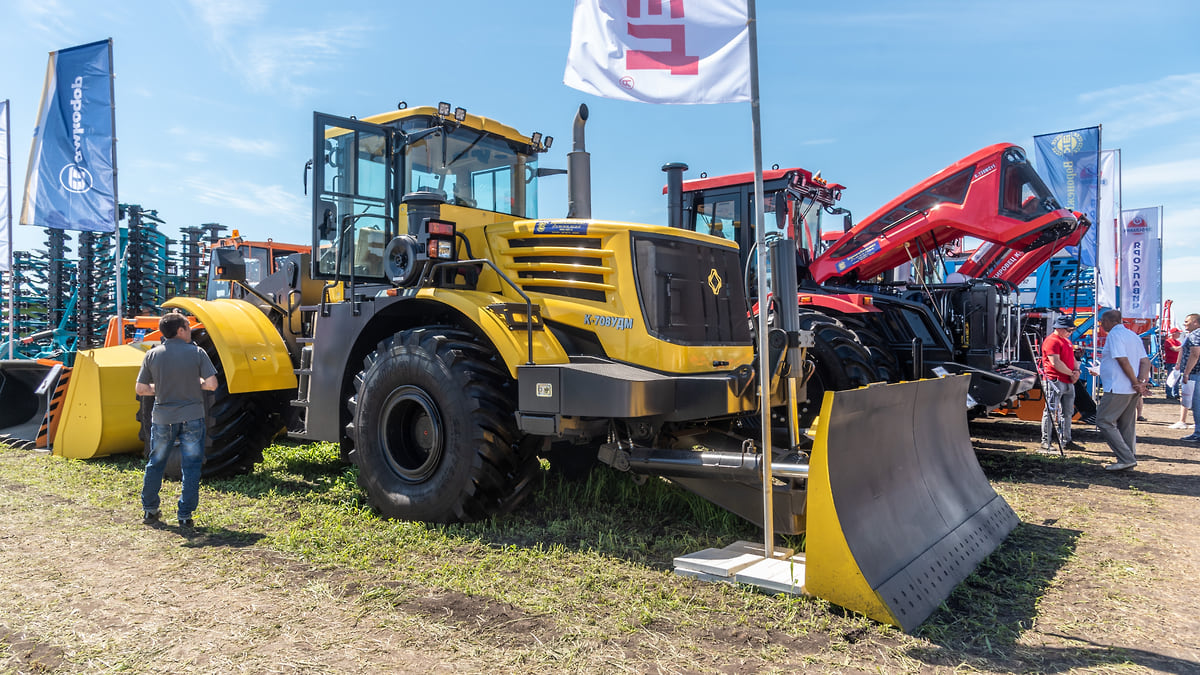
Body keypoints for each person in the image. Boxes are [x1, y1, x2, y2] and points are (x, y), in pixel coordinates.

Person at [135, 311, 218, 527]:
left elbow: (141, 389)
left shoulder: (152, 355)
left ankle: (150, 510)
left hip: (163, 418)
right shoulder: (197, 353)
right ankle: (184, 515)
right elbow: (211, 385)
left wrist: (161, 388)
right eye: (188, 328)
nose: (190, 331)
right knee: (191, 467)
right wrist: (193, 384)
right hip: (192, 418)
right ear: (180, 330)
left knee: (156, 464)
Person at [1093, 309, 1150, 470]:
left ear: (1110, 321)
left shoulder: (1114, 335)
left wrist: (1135, 382)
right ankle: (1129, 459)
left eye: (1102, 321)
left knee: (1104, 421)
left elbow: (1122, 360)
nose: (1101, 324)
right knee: (1127, 424)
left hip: (1117, 387)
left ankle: (1126, 458)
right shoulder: (1133, 335)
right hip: (1130, 389)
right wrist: (1141, 381)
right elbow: (1145, 361)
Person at [1040, 315, 1083, 453]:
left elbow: (1071, 359)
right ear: (1059, 328)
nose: (1070, 332)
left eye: (1071, 330)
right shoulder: (1052, 341)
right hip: (1055, 380)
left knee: (1067, 412)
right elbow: (1055, 363)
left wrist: (1075, 371)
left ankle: (1066, 440)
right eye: (1069, 330)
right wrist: (1073, 373)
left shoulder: (1065, 341)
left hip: (1065, 380)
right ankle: (1046, 441)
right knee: (1051, 412)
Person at [1177, 314, 1200, 442]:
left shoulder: (1195, 334)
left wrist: (1186, 372)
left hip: (1195, 374)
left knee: (1197, 404)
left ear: (1195, 322)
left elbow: (1195, 353)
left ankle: (1198, 433)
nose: (1185, 324)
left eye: (1187, 322)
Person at [1163, 328, 1182, 399]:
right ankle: (1169, 393)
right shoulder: (1168, 341)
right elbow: (1174, 349)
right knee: (1171, 378)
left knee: (1176, 379)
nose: (1179, 334)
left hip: (1177, 362)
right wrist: (1184, 346)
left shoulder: (1178, 342)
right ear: (1173, 333)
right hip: (1171, 362)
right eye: (1178, 333)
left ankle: (1175, 393)